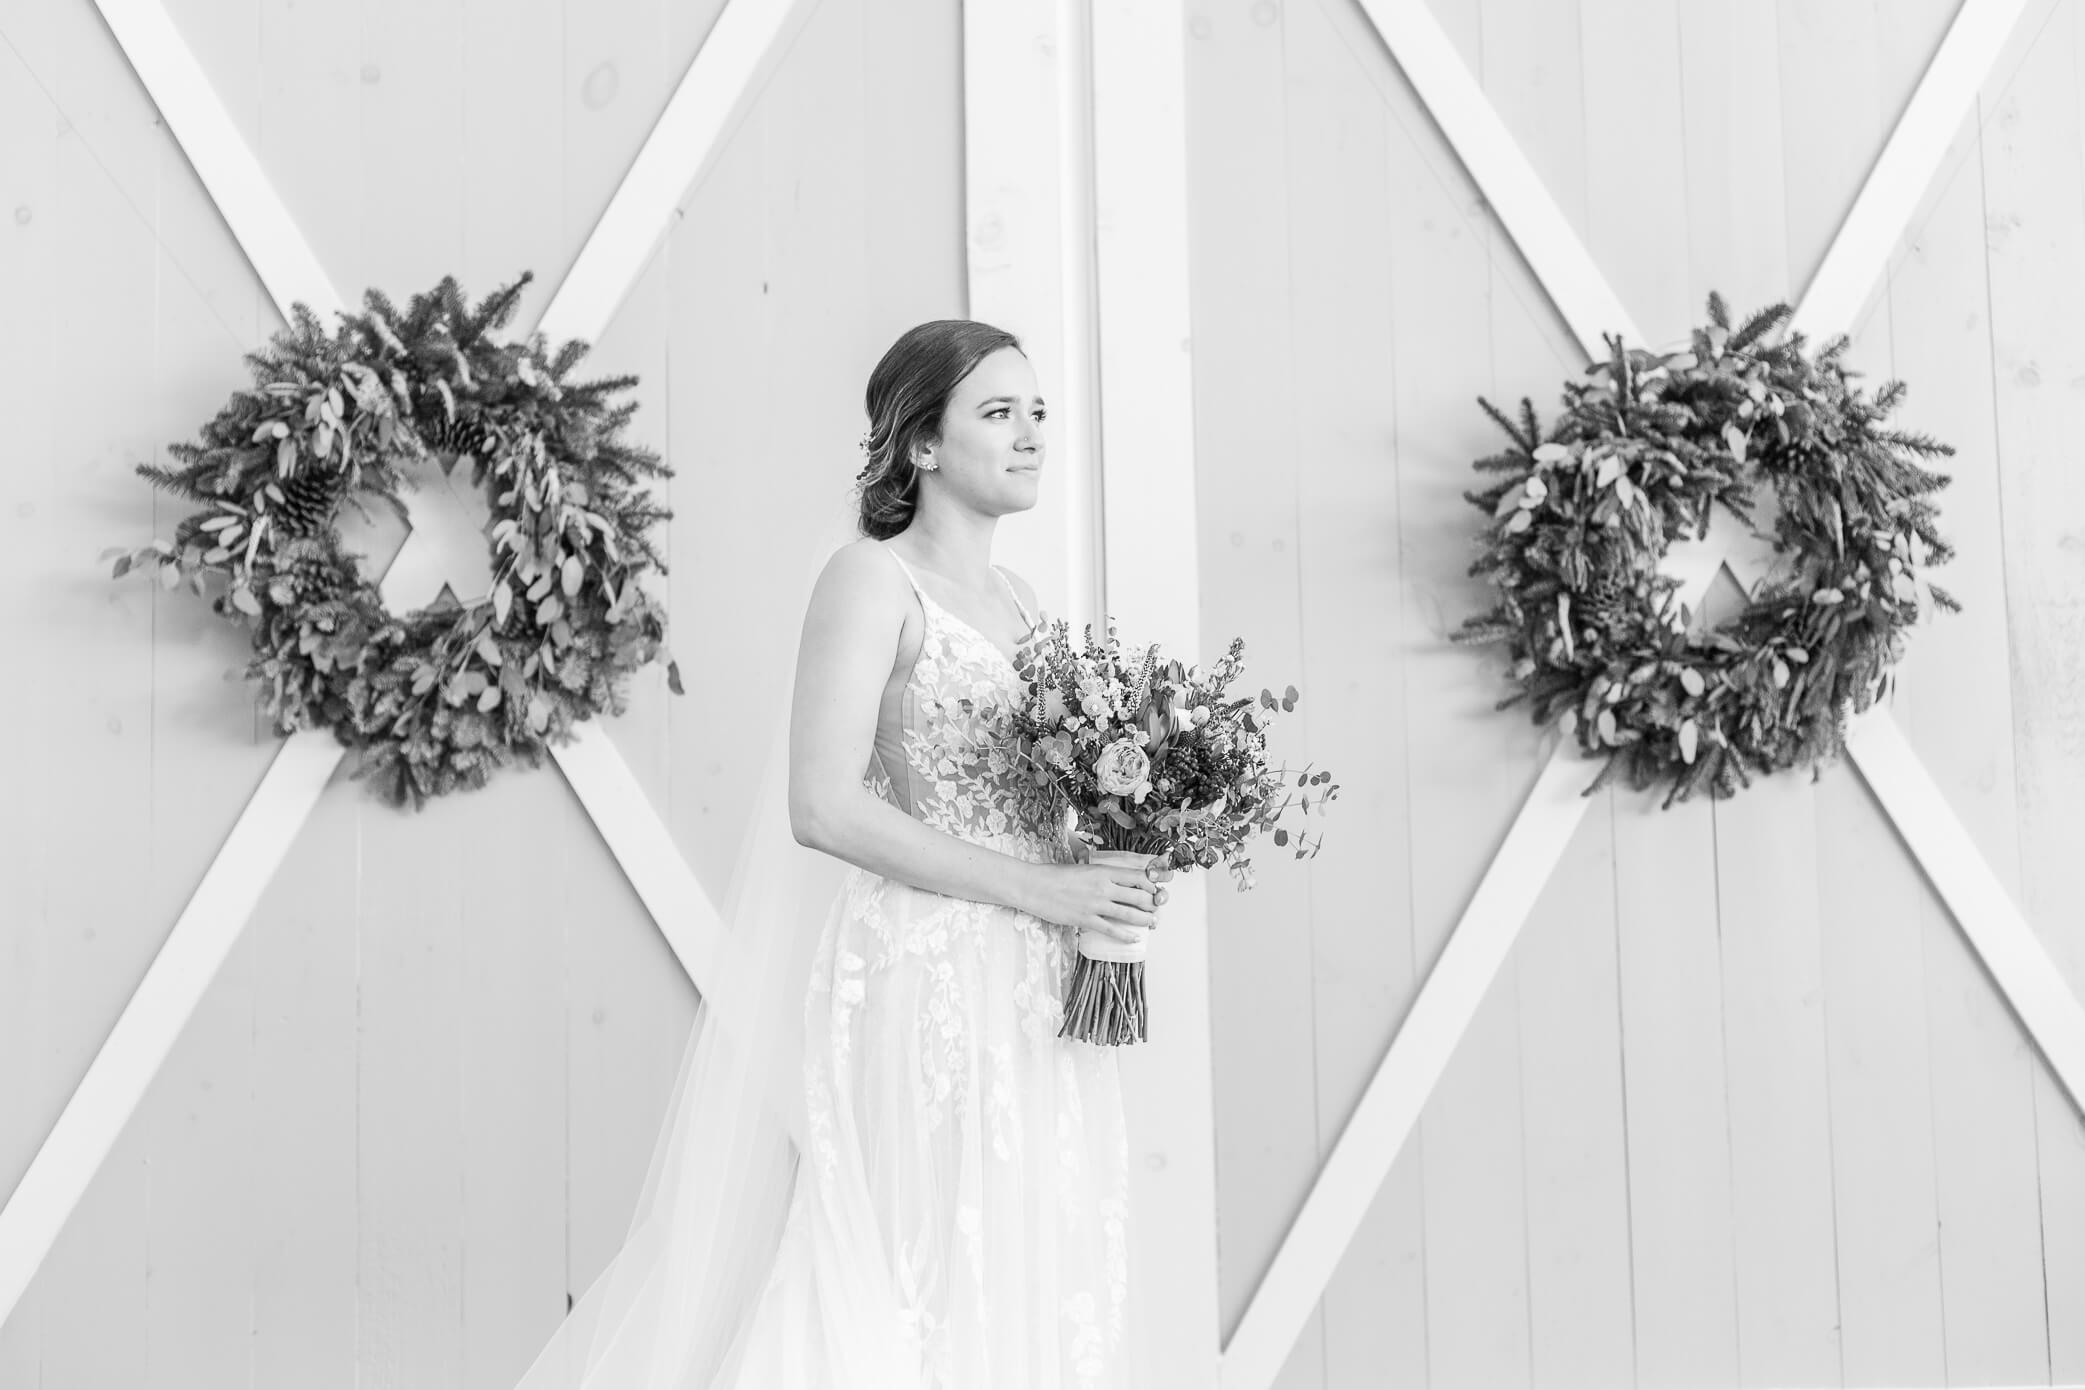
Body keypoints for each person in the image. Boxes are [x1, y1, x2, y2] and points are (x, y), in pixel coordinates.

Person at [514, 319, 1171, 1390]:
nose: (1031, 435)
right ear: (919, 443)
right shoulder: (869, 582)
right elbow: (821, 808)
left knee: (1027, 1261)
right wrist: (1048, 888)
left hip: (1035, 982)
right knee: (912, 1272)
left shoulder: (1022, 606)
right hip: (927, 972)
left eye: (1038, 412)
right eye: (998, 413)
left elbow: (1037, 806)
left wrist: (1116, 871)